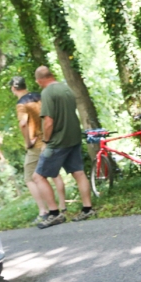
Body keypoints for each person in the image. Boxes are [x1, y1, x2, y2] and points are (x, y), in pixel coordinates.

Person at [32, 67, 95, 228]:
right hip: (73, 138)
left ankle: (54, 214)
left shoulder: (47, 93)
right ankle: (87, 209)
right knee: (79, 173)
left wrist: (46, 141)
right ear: (51, 75)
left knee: (38, 177)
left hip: (57, 142)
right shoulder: (67, 89)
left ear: (39, 80)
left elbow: (49, 121)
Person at [8, 76, 66, 223]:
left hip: (36, 144)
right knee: (55, 175)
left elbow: (23, 124)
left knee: (30, 177)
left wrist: (28, 142)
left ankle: (44, 210)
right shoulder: (40, 96)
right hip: (51, 139)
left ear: (13, 88)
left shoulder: (22, 104)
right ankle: (62, 206)